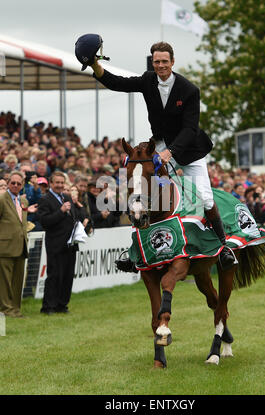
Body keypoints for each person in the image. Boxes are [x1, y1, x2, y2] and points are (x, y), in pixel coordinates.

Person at [89, 40, 237, 270]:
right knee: (142, 191)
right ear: (153, 62)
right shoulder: (148, 80)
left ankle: (224, 246)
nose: (160, 65)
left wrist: (171, 151)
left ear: (172, 62)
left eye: (164, 61)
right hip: (160, 147)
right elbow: (118, 83)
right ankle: (134, 251)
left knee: (206, 198)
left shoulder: (189, 90)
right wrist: (95, 66)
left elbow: (190, 129)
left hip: (190, 151)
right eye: (156, 61)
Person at [37, 171, 79, 315]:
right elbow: (45, 222)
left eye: (62, 182)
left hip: (70, 244)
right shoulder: (45, 199)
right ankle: (48, 306)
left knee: (68, 275)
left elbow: (73, 217)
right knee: (55, 275)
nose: (60, 185)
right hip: (55, 243)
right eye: (57, 183)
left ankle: (62, 304)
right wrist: (61, 211)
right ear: (51, 183)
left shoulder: (67, 197)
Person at [0, 171, 38, 317]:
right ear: (8, 183)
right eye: (13, 183)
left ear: (22, 185)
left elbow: (21, 222)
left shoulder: (23, 202)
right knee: (4, 281)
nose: (15, 185)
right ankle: (6, 309)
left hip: (21, 245)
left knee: (17, 281)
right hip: (4, 247)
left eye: (18, 183)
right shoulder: (2, 199)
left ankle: (15, 308)